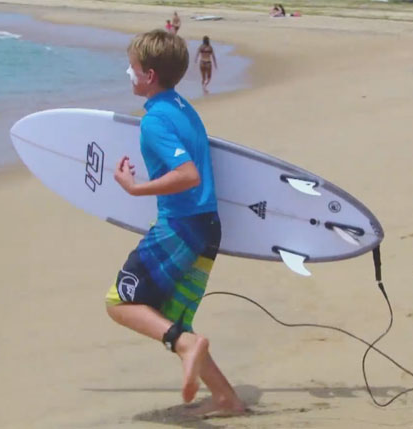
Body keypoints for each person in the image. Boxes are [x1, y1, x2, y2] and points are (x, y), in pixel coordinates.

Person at [109, 29, 245, 416]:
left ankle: (187, 346)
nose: (129, 73)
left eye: (133, 67)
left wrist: (135, 188)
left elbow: (188, 175)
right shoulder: (182, 107)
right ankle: (225, 398)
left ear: (149, 75)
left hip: (181, 226)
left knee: (121, 302)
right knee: (170, 319)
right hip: (207, 227)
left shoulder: (154, 121)